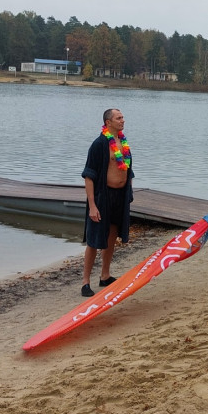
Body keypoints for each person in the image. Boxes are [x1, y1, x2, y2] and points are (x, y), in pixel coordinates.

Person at [81, 108, 134, 297]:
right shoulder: (99, 144)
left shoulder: (123, 142)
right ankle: (85, 282)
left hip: (120, 196)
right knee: (95, 239)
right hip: (103, 196)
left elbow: (128, 171)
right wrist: (92, 205)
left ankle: (105, 275)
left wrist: (129, 193)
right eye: (119, 118)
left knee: (112, 234)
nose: (123, 121)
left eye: (123, 117)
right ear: (108, 122)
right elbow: (89, 176)